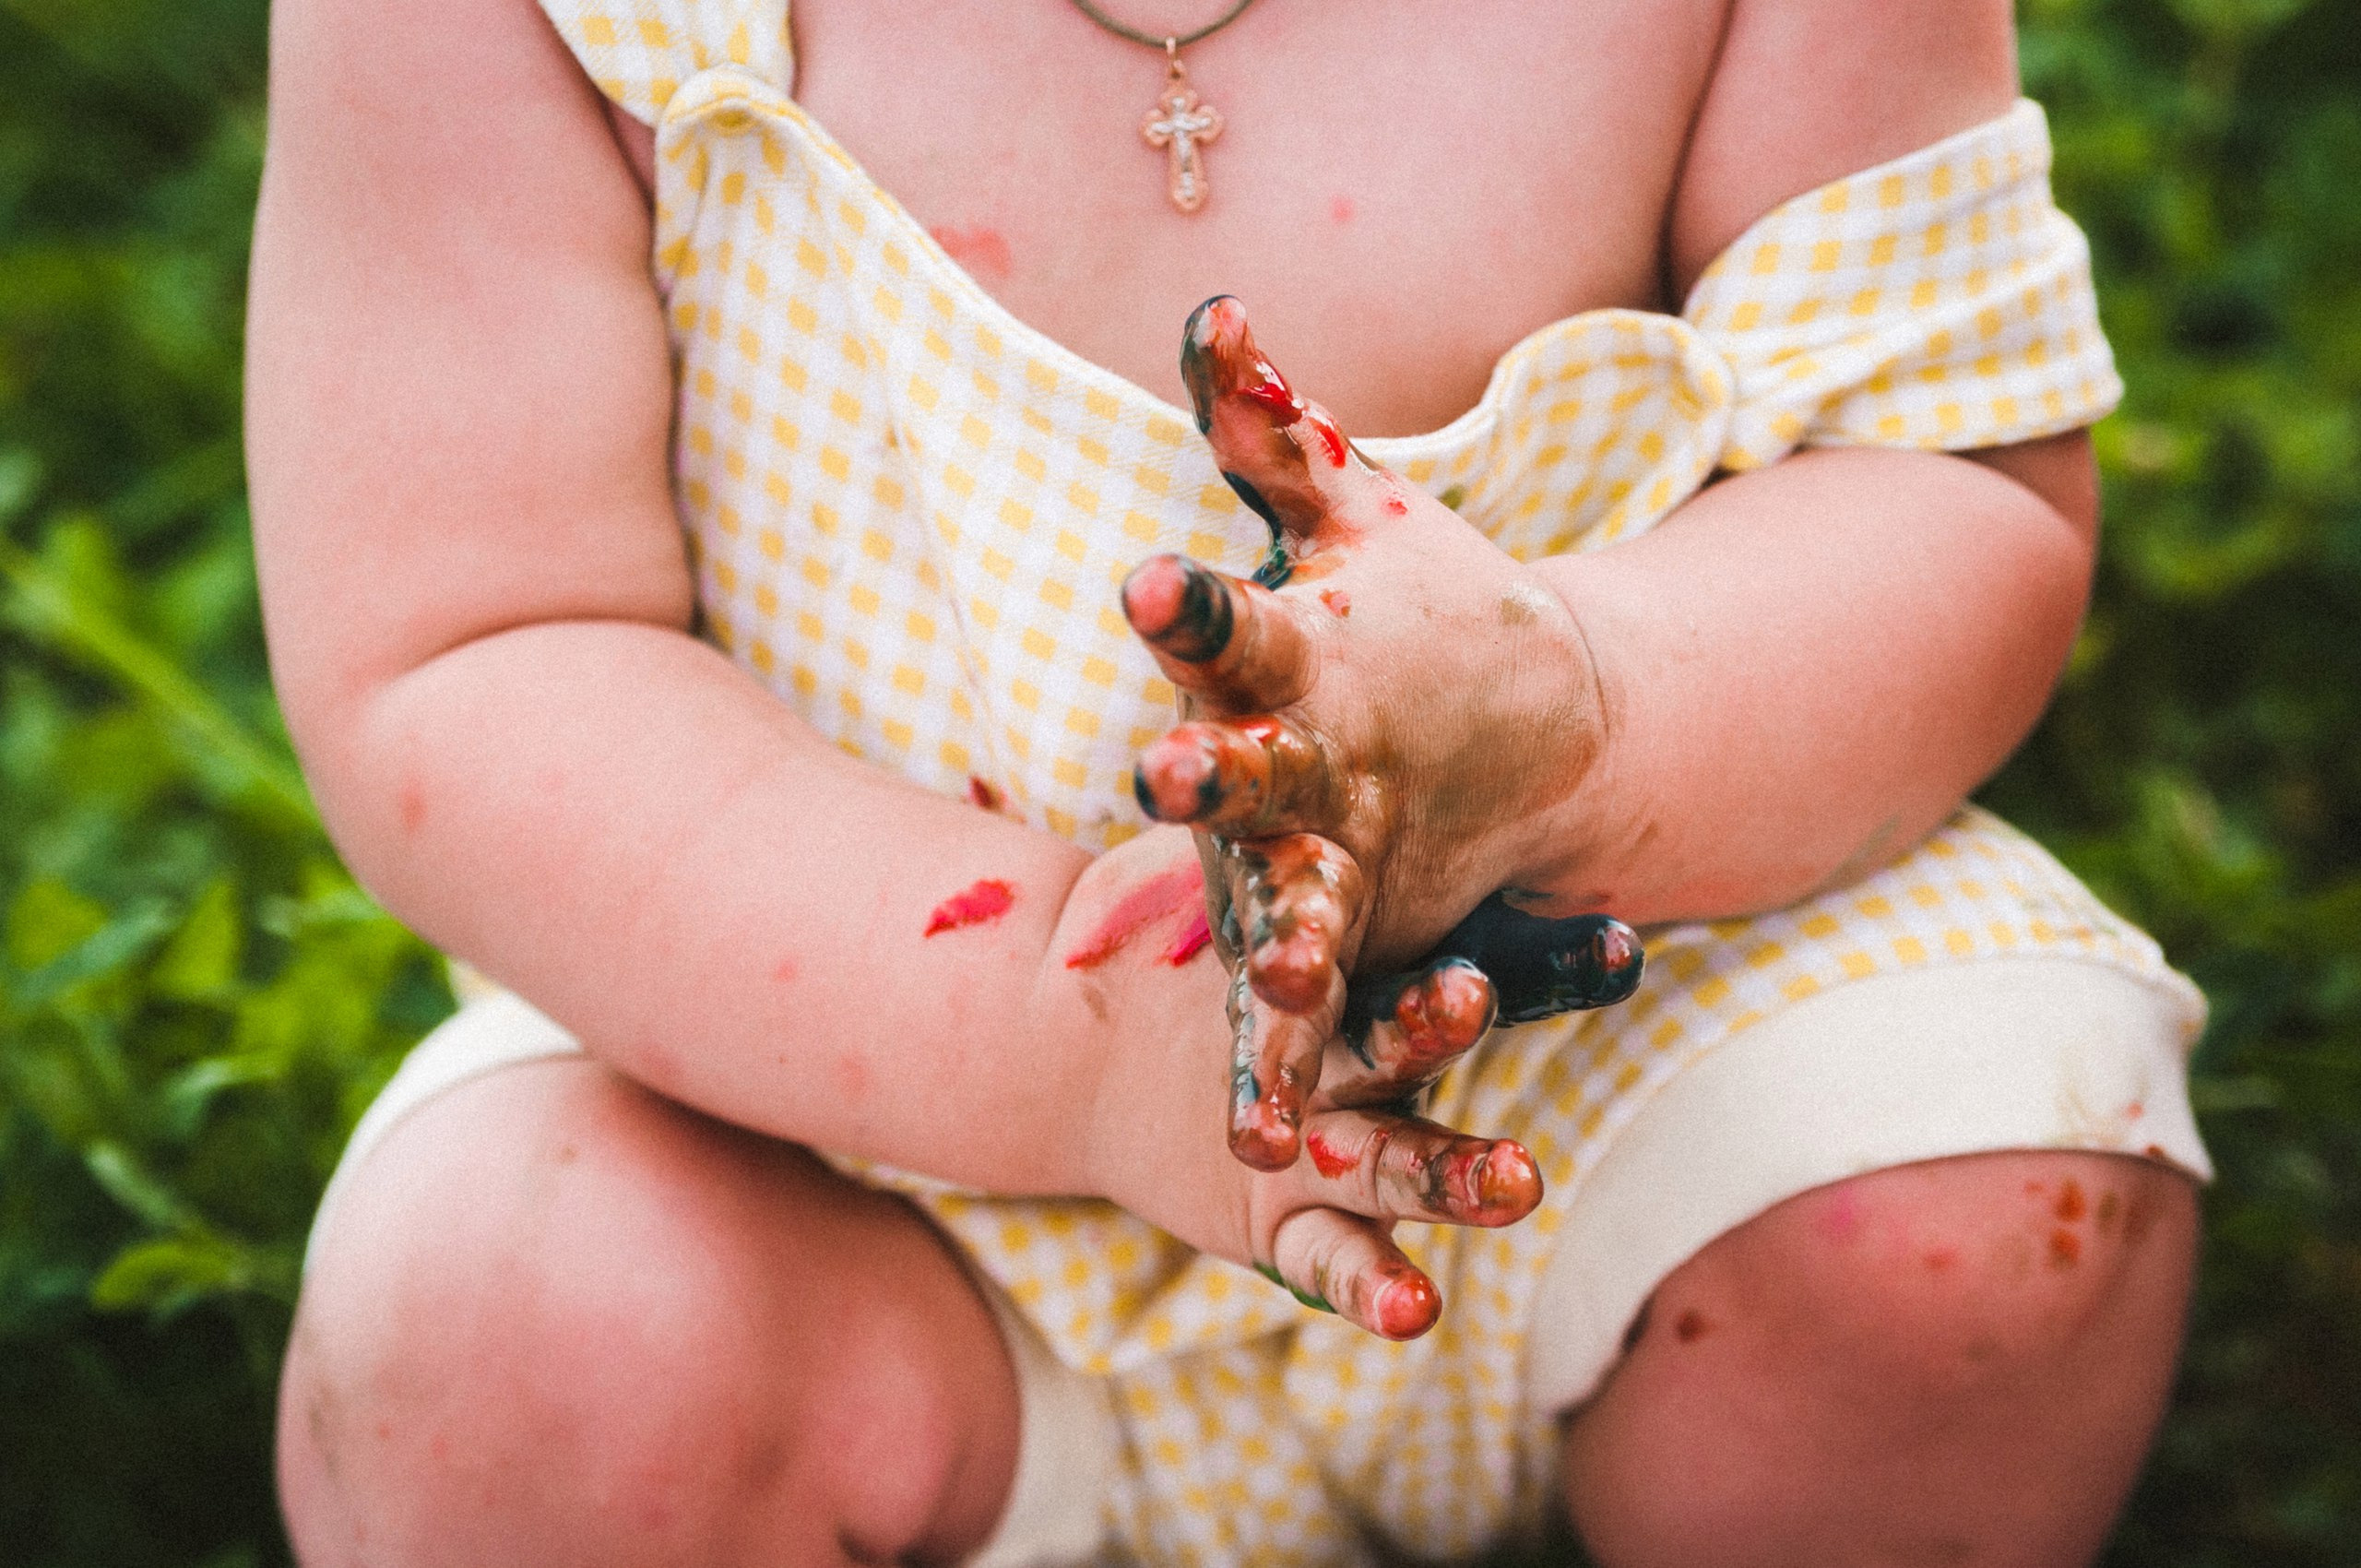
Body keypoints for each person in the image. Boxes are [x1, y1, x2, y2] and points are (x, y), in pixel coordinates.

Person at [249, 0, 2212, 1562]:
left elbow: (1939, 474)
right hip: (843, 1142)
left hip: (1598, 1042)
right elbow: (474, 650)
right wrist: (1055, 1030)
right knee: (513, 1337)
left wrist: (1582, 717)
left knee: (1964, 1183)